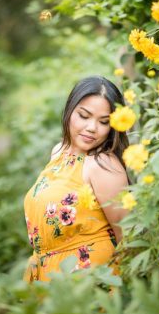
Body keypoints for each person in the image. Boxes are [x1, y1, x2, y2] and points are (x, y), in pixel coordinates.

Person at [23, 76, 131, 282]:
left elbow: (127, 236)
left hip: (87, 281)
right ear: (70, 111)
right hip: (49, 276)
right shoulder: (58, 153)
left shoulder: (102, 164)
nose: (92, 127)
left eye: (104, 121)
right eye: (84, 115)